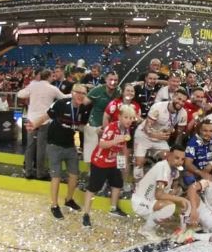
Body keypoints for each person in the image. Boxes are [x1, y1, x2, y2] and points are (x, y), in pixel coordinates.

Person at [26, 84, 88, 219]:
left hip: (70, 146)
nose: (80, 95)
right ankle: (54, 205)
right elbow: (45, 117)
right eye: (78, 92)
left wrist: (94, 131)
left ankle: (69, 199)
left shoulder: (83, 109)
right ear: (72, 93)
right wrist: (34, 125)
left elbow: (82, 126)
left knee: (74, 175)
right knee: (56, 176)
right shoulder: (60, 104)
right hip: (54, 145)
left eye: (83, 93)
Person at [82, 105, 136, 226]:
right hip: (99, 161)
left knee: (117, 183)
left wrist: (125, 161)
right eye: (126, 117)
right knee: (93, 188)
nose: (129, 120)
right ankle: (86, 214)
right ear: (120, 117)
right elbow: (102, 144)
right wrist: (116, 141)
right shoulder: (111, 128)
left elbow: (124, 146)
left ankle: (113, 208)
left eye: (131, 117)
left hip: (112, 161)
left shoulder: (126, 129)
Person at [131, 145, 191, 242]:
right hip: (141, 202)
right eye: (176, 158)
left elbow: (174, 185)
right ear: (168, 156)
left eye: (182, 159)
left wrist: (175, 191)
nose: (180, 162)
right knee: (170, 207)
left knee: (178, 197)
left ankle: (159, 218)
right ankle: (145, 230)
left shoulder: (174, 170)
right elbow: (159, 195)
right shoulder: (162, 167)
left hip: (151, 201)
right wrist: (180, 199)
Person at [17, 69, 67, 180]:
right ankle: (40, 173)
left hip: (31, 120)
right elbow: (64, 98)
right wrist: (74, 93)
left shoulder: (33, 86)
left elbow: (20, 94)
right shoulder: (52, 88)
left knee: (30, 146)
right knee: (41, 147)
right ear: (48, 76)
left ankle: (28, 172)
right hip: (44, 120)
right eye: (52, 75)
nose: (53, 77)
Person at [133, 89, 188, 182]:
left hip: (160, 139)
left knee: (170, 159)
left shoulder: (183, 114)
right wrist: (156, 135)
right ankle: (137, 186)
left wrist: (173, 132)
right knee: (139, 163)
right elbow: (147, 128)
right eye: (179, 99)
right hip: (143, 136)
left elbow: (179, 133)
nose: (181, 102)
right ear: (173, 96)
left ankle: (162, 182)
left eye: (183, 101)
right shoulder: (158, 107)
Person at [82, 71, 119, 165]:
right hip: (95, 124)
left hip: (111, 126)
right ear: (106, 80)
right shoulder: (97, 90)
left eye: (115, 80)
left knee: (108, 151)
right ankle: (92, 172)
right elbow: (83, 103)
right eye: (111, 79)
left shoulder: (119, 91)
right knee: (93, 151)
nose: (113, 82)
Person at [183, 119, 212, 186]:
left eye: (211, 131)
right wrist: (201, 173)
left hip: (211, 168)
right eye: (205, 131)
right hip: (195, 170)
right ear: (200, 131)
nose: (208, 134)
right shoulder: (193, 142)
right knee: (189, 178)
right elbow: (187, 164)